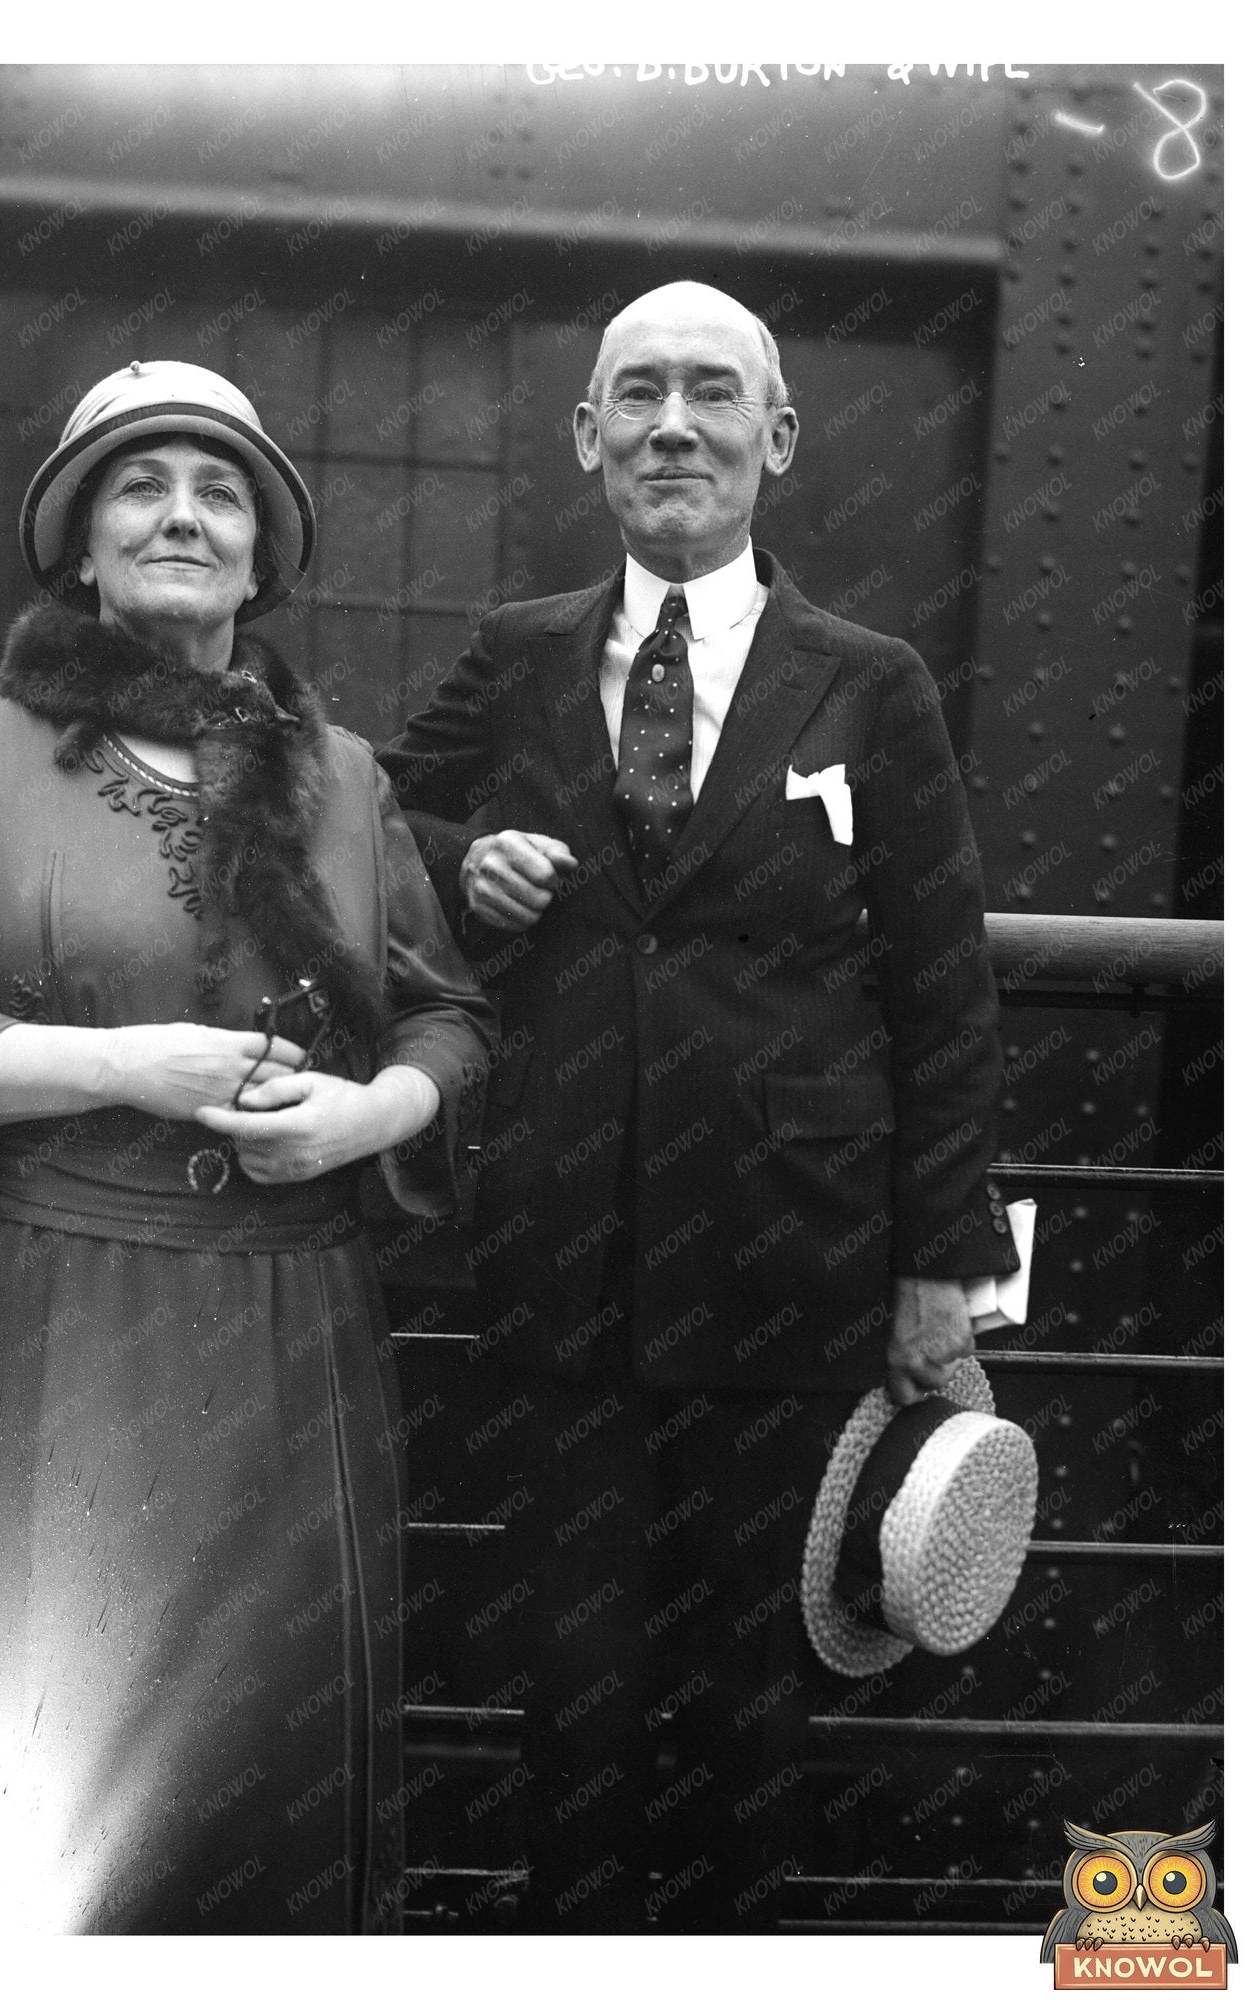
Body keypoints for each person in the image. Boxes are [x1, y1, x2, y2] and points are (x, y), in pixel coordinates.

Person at [378, 282, 1020, 1932]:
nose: (675, 425)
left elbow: (942, 986)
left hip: (787, 1268)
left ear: (775, 437)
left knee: (749, 1700)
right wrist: (463, 859)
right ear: (587, 436)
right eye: (640, 393)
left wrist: (936, 1268)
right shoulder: (519, 653)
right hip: (560, 1258)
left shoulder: (869, 684)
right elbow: (366, 823)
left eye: (713, 394)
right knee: (570, 1692)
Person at [0, 359, 495, 1935]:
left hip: (288, 1324)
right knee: (44, 1736)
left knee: (270, 1750)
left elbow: (451, 1021)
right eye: (140, 486)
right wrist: (123, 1065)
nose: (182, 515)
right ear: (79, 546)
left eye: (219, 492)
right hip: (54, 1315)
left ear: (261, 558)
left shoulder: (345, 778)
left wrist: (370, 1114)